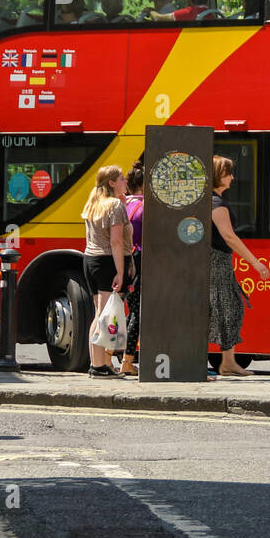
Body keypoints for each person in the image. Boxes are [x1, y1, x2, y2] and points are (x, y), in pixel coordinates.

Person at [209, 155, 270, 376]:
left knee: (229, 308)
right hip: (216, 262)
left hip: (220, 261)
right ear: (218, 175)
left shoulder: (215, 200)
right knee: (224, 309)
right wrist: (256, 263)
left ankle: (228, 362)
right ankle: (226, 362)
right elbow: (229, 237)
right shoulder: (215, 204)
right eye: (229, 173)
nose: (233, 177)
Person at [81, 165, 133, 378]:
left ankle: (102, 363)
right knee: (103, 316)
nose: (125, 182)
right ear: (111, 183)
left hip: (91, 261)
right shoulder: (114, 206)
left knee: (99, 313)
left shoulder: (95, 203)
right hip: (107, 263)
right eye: (121, 178)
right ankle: (98, 365)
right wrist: (120, 272)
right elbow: (116, 241)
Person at [118, 159, 144, 377]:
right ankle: (127, 360)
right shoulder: (146, 207)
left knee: (130, 308)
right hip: (141, 260)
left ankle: (114, 354)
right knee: (138, 311)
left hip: (126, 259)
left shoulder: (124, 204)